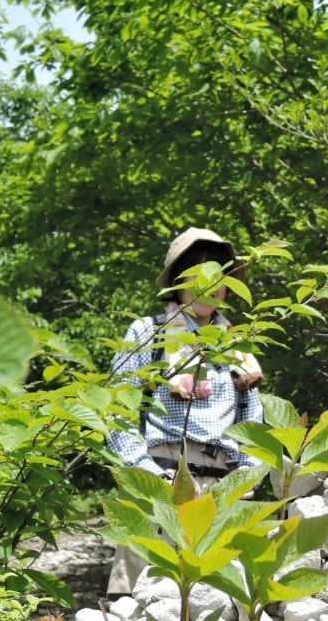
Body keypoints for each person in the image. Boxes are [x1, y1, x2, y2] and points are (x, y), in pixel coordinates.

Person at [105, 226, 265, 594]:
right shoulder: (148, 333)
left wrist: (245, 479)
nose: (208, 284)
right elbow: (116, 412)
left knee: (216, 606)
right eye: (196, 273)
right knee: (141, 603)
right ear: (178, 281)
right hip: (158, 480)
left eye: (217, 274)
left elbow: (252, 422)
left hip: (222, 491)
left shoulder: (236, 346)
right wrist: (149, 477)